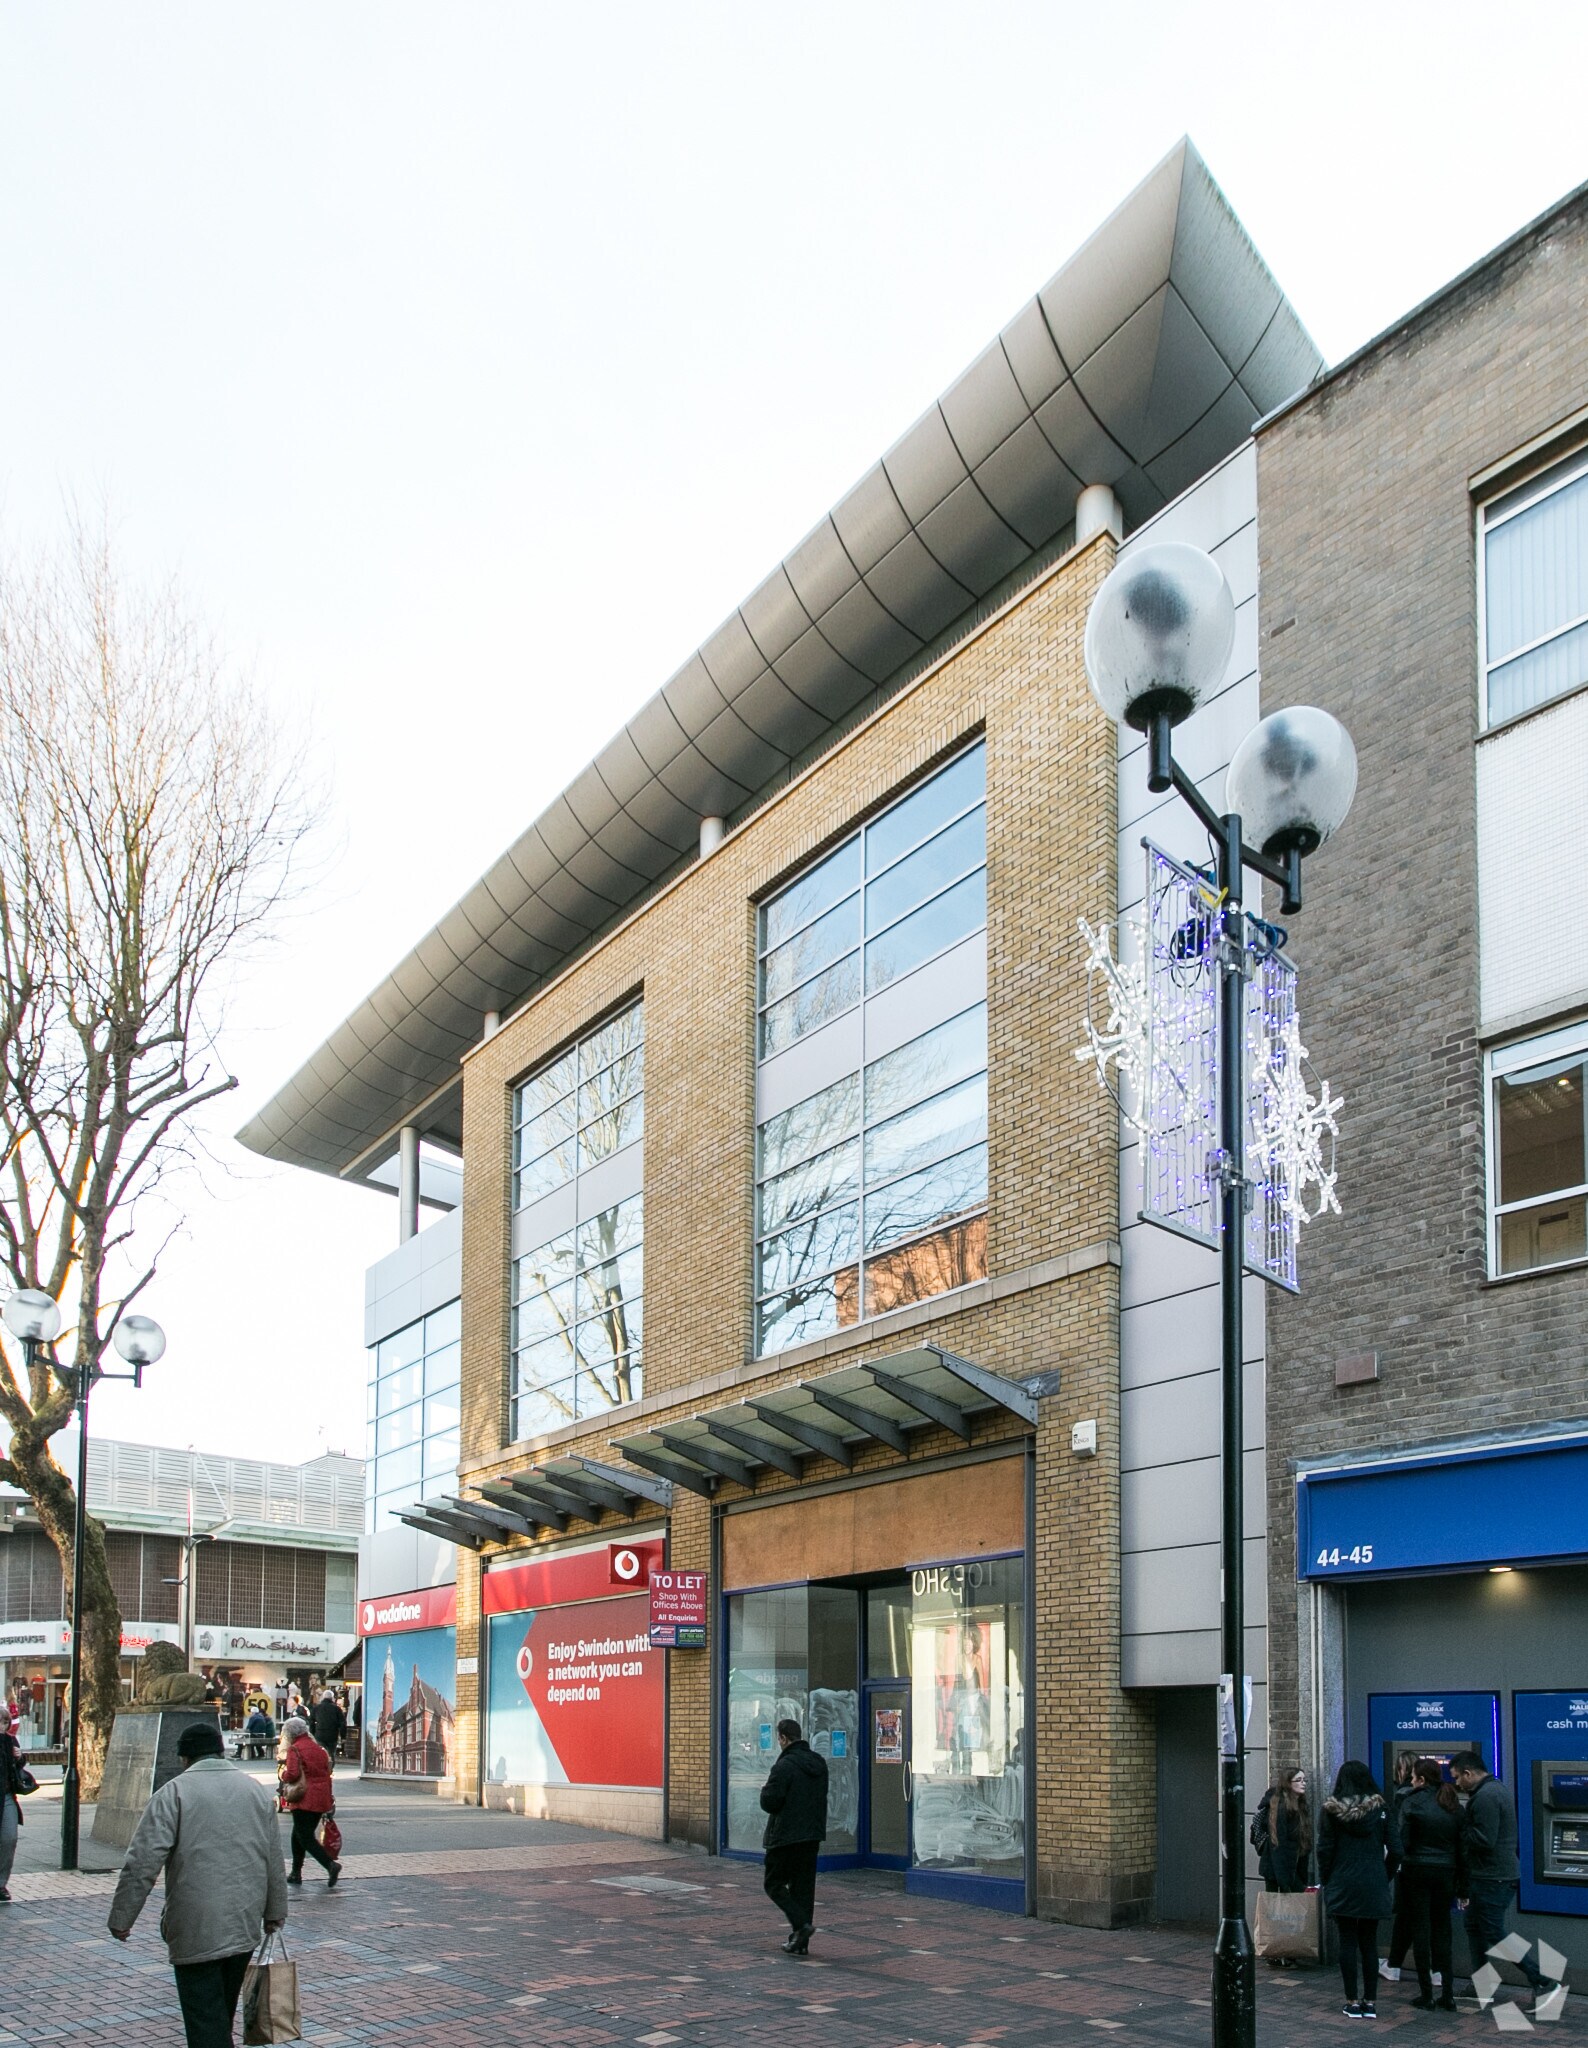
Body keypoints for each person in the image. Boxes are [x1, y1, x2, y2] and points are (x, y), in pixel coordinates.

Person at [107, 1720, 287, 2048]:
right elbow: (273, 1859)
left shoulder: (173, 1793)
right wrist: (275, 1912)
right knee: (221, 2015)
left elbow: (141, 1864)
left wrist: (122, 1918)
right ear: (221, 1751)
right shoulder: (254, 1791)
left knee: (205, 2022)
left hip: (195, 1927)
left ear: (184, 1759)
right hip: (244, 1924)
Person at [1449, 1750, 1554, 2010]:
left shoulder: (1485, 1797)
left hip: (1493, 1876)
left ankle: (1541, 1981)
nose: (1456, 1784)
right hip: (1491, 1874)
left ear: (1468, 1773)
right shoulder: (1495, 1789)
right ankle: (1482, 1984)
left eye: (1457, 1778)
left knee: (1493, 1931)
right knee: (1475, 1928)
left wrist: (1458, 1827)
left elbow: (1484, 1840)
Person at [1318, 1758, 1400, 2020]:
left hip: (1342, 1880)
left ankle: (1352, 2001)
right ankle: (1370, 2002)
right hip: (1373, 1881)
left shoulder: (1331, 1810)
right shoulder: (1382, 1809)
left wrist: (1328, 1879)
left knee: (1347, 1941)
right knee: (1368, 1942)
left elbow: (1324, 1850)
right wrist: (1383, 1875)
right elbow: (1397, 1850)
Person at [1396, 1757, 1464, 2011]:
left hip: (1417, 1872)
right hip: (1446, 1873)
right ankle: (1448, 1994)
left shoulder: (1411, 1802)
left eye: (1413, 1777)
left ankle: (1426, 1994)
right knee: (1442, 1931)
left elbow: (1403, 1841)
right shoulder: (1453, 1804)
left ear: (1421, 1779)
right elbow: (1463, 1849)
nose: (1411, 1781)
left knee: (1421, 1931)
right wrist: (1463, 1887)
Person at [759, 1716, 828, 1956]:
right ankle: (801, 1943)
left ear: (783, 1738)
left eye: (779, 1739)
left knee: (773, 1883)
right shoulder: (819, 1763)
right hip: (811, 1836)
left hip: (785, 1837)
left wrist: (764, 1791)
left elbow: (770, 1802)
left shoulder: (784, 1766)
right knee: (804, 1889)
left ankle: (801, 1925)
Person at [1252, 1765, 1312, 1965]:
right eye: (1299, 1780)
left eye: (1304, 1780)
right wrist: (1286, 1880)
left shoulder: (1300, 1804)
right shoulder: (1280, 1806)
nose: (1303, 1783)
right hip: (1277, 1869)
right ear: (1288, 1783)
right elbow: (1280, 1845)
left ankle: (1286, 1952)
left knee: (1287, 1912)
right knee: (1276, 1912)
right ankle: (1276, 1952)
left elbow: (1302, 1843)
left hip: (1290, 1867)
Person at [279, 1714, 340, 1887]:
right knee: (298, 1834)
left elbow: (292, 1774)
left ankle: (330, 1864)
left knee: (304, 1837)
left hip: (304, 1797)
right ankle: (296, 1873)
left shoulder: (295, 1749)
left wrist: (282, 1774)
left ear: (290, 1733)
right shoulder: (318, 1748)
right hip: (321, 1797)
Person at [1, 1716, 27, 1903]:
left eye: (4, 1723)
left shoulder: (10, 1740)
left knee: (9, 1837)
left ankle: (1, 1884)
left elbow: (17, 1766)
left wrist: (20, 1757)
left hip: (7, 1795)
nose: (2, 1726)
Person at [310, 1684, 346, 1759]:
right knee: (331, 1754)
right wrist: (343, 1736)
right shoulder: (337, 1709)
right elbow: (342, 1723)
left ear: (323, 1697)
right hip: (332, 1735)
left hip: (319, 1734)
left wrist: (312, 1734)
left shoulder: (316, 1708)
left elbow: (311, 1722)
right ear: (332, 1698)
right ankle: (330, 1768)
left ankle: (322, 1767)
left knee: (321, 1753)